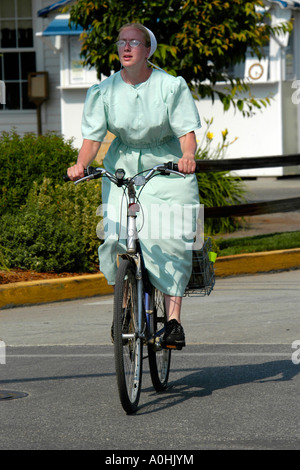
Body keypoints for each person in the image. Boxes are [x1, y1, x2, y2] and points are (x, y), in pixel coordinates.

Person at [67, 22, 201, 348]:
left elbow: (187, 132)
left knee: (169, 238)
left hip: (167, 167)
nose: (126, 48)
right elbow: (92, 138)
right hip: (123, 166)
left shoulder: (171, 87)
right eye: (121, 42)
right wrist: (81, 163)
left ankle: (172, 323)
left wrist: (187, 156)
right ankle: (125, 308)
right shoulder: (104, 91)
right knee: (117, 235)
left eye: (134, 43)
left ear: (147, 50)